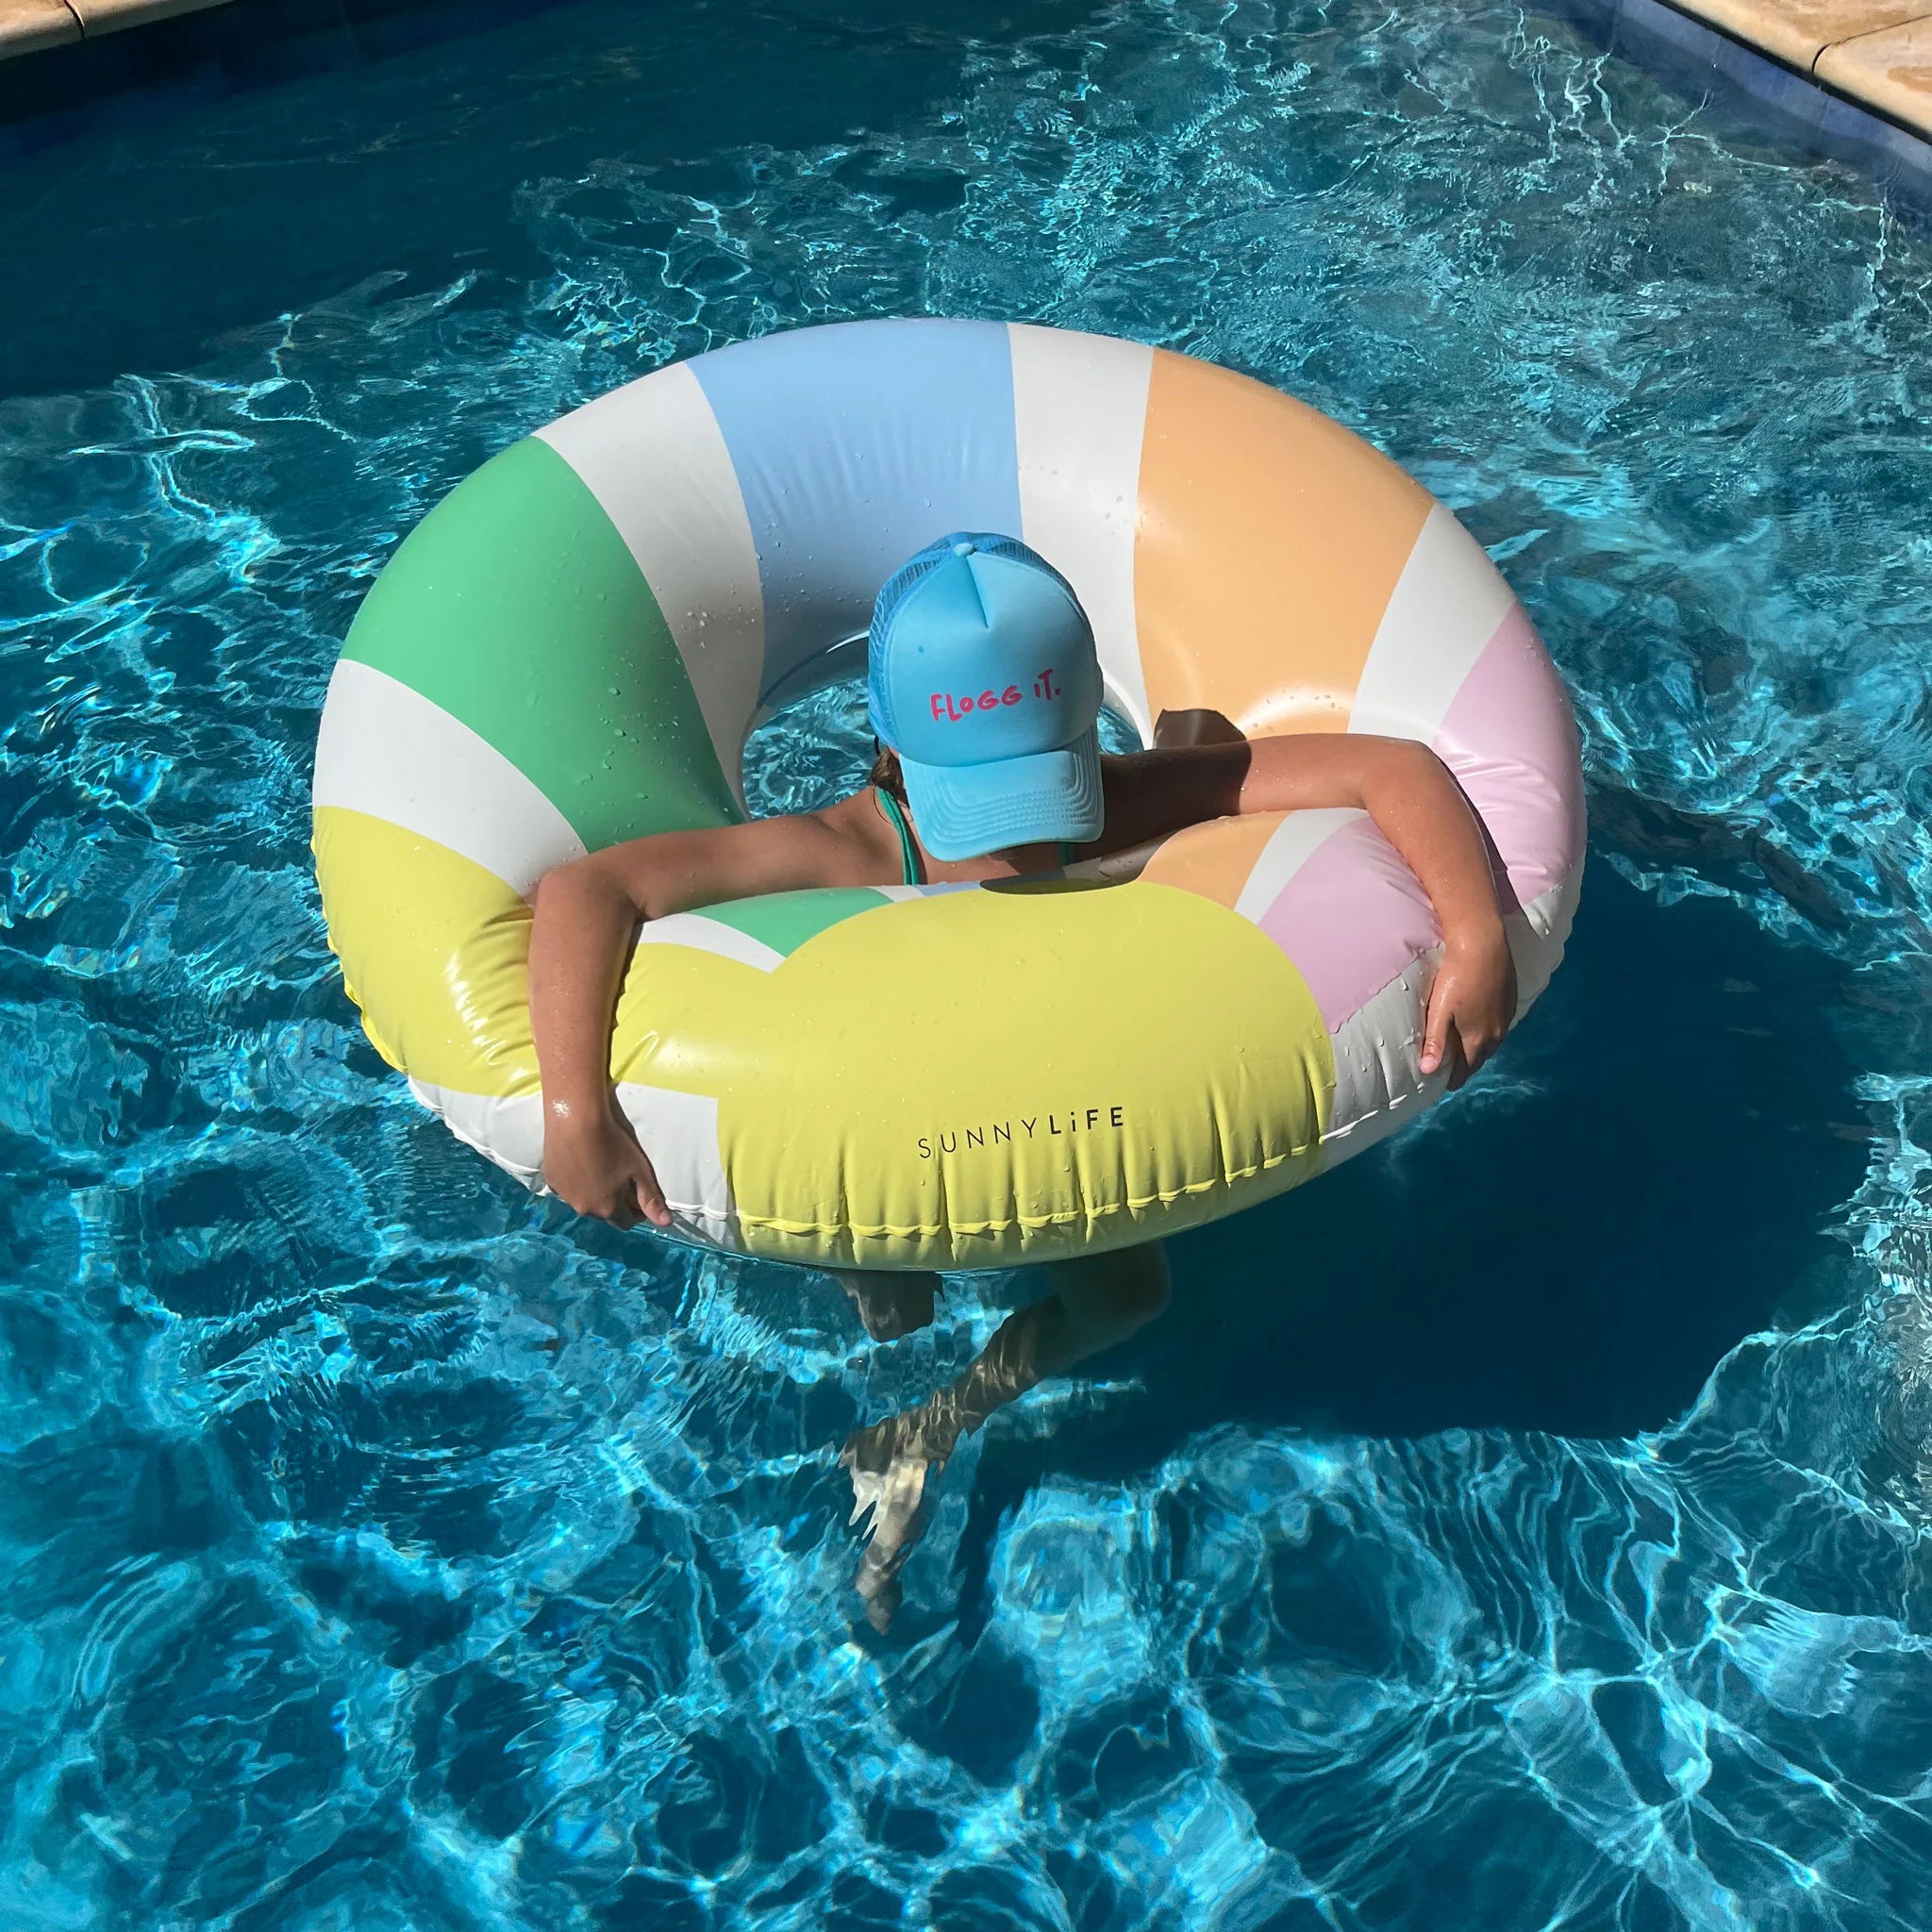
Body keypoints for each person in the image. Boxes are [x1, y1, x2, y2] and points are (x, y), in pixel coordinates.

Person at [527, 530, 1518, 1622]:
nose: (1020, 835)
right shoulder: (842, 849)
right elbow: (587, 891)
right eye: (982, 803)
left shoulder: (1115, 794)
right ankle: (877, 1278)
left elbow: (1389, 767)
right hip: (873, 1104)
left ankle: (929, 1426)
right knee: (891, 1293)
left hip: (1028, 1104)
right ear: (889, 754)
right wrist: (577, 1107)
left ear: (1088, 733)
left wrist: (1472, 932)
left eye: (1047, 787)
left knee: (1131, 1293)